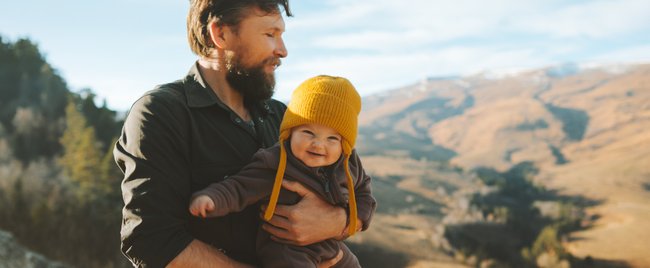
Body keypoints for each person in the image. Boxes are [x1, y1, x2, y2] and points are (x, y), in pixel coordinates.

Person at [113, 1, 374, 267]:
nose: (282, 51)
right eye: (270, 35)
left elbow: (343, 183)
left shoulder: (284, 117)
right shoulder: (161, 112)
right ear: (221, 34)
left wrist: (337, 222)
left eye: (282, 36)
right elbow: (152, 240)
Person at [190, 75, 376, 267]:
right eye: (308, 133)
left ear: (344, 145)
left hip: (330, 244)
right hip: (287, 249)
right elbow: (240, 186)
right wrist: (212, 198)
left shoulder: (348, 163)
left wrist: (356, 219)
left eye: (332, 139)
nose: (319, 144)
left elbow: (363, 190)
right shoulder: (275, 162)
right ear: (289, 133)